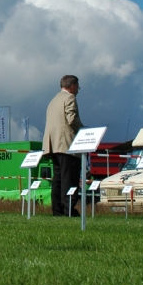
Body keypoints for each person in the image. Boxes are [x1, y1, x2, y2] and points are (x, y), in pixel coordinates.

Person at [42, 75, 84, 216]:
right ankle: (69, 209)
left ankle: (57, 209)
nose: (78, 90)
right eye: (77, 87)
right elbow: (72, 119)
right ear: (72, 86)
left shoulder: (53, 101)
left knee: (58, 179)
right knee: (69, 178)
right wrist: (83, 129)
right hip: (66, 143)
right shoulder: (70, 98)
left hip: (53, 144)